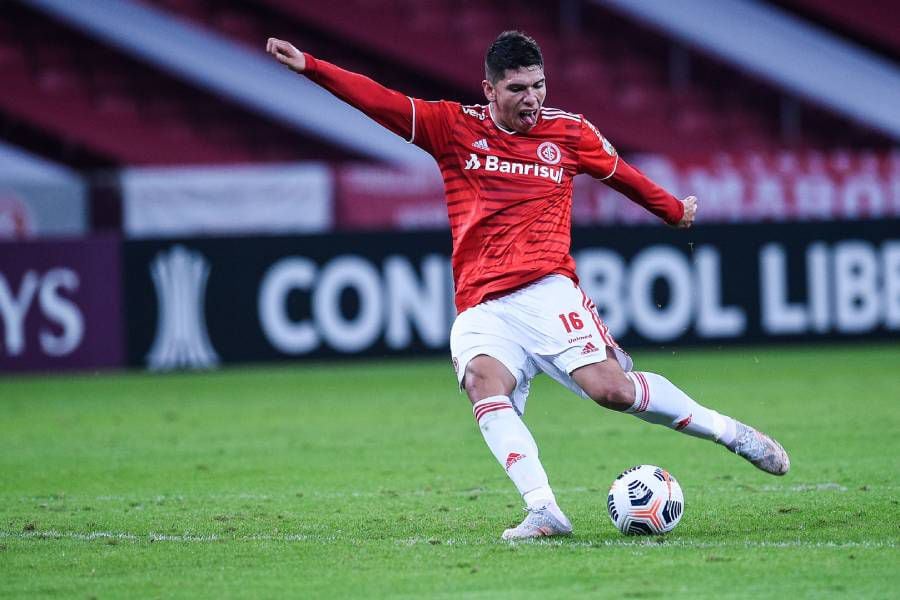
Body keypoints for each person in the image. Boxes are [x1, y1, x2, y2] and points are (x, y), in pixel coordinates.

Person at [266, 31, 790, 540]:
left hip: (547, 289)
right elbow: (378, 100)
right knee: (482, 382)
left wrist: (674, 211)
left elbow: (621, 174)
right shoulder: (450, 127)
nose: (532, 98)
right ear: (489, 90)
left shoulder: (569, 132)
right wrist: (311, 66)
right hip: (481, 305)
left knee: (611, 391)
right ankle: (543, 509)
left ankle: (729, 432)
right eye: (518, 89)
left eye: (539, 85)